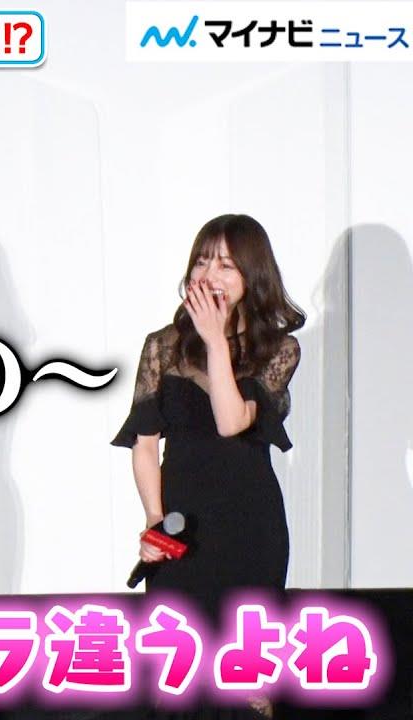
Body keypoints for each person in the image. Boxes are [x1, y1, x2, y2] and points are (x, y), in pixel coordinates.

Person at [113, 214, 304, 717]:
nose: (210, 274)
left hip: (249, 531)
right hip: (181, 530)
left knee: (248, 682)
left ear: (252, 275)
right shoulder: (163, 346)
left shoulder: (277, 350)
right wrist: (154, 521)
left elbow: (231, 421)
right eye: (202, 261)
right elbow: (144, 444)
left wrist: (217, 342)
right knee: (175, 677)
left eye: (225, 265)